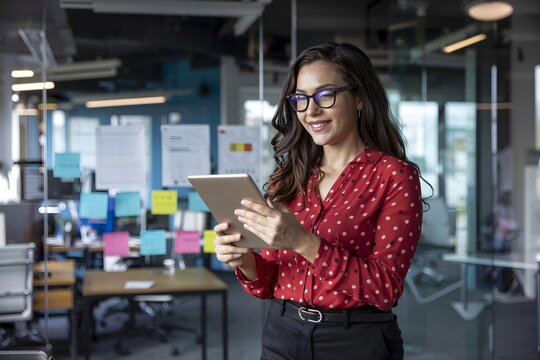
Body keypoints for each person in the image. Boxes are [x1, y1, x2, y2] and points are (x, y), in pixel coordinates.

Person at [214, 42, 425, 360]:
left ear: (359, 99)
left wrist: (303, 241)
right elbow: (271, 282)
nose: (310, 111)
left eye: (325, 95)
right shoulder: (288, 179)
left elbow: (385, 288)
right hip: (282, 332)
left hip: (354, 341)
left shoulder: (393, 176)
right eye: (300, 99)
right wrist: (243, 261)